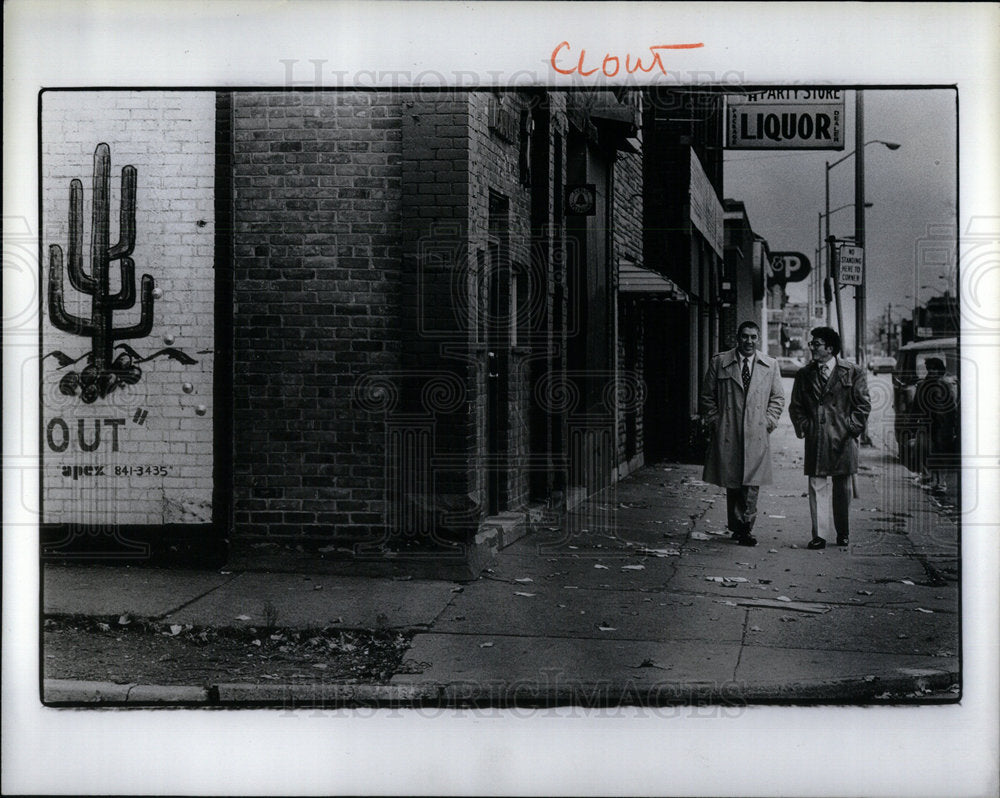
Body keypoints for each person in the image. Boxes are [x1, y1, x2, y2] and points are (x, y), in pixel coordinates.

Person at [699, 321, 785, 547]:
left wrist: (769, 421)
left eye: (753, 337)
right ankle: (736, 526)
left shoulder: (770, 365)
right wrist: (716, 421)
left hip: (756, 431)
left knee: (751, 482)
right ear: (737, 338)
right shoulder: (720, 362)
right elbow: (707, 396)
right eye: (745, 337)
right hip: (729, 429)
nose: (749, 341)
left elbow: (777, 398)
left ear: (758, 339)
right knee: (733, 480)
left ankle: (746, 526)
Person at [789, 326, 871, 549]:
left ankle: (842, 532)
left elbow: (862, 405)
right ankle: (820, 535)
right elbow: (796, 406)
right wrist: (805, 426)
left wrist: (850, 429)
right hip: (816, 438)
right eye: (812, 344)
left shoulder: (852, 372)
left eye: (816, 344)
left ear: (830, 348)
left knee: (842, 488)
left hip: (843, 439)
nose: (812, 348)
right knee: (816, 486)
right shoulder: (804, 374)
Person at [913, 357, 958, 493]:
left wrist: (953, 425)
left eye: (934, 368)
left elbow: (952, 407)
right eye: (929, 368)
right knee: (925, 451)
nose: (931, 371)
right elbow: (916, 407)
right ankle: (931, 478)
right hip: (927, 424)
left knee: (941, 453)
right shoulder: (922, 385)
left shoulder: (946, 385)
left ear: (940, 370)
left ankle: (940, 482)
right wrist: (913, 425)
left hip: (943, 425)